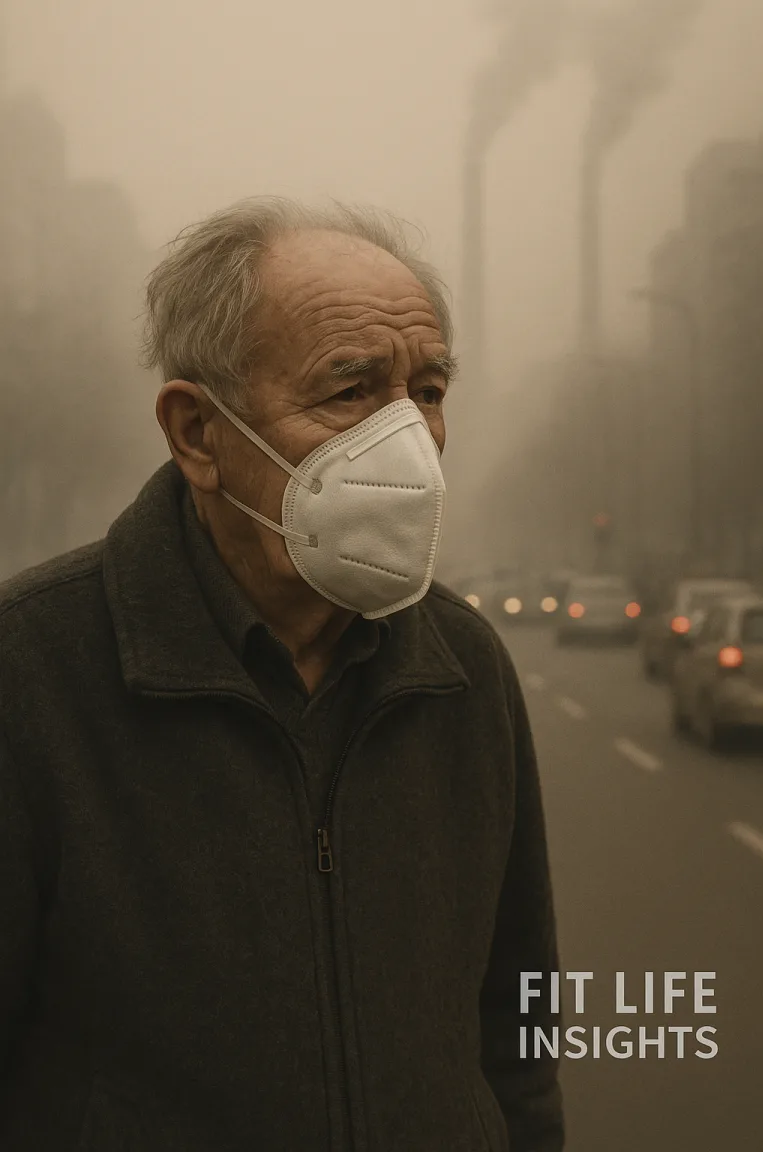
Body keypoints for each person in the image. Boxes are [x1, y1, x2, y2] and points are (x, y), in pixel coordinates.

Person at [0, 198, 564, 1151]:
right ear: (197, 434)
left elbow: (518, 1031)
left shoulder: (465, 667)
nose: (412, 444)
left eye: (428, 390)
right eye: (350, 391)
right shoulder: (31, 673)